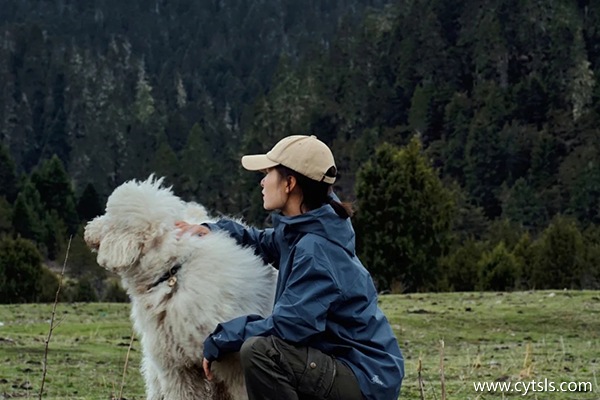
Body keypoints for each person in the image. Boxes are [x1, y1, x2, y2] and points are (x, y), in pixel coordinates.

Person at [176, 135, 404, 400]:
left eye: (268, 173)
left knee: (261, 352)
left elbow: (289, 326)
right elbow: (262, 242)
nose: (262, 181)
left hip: (365, 379)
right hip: (348, 366)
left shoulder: (316, 249)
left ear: (290, 183)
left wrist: (221, 337)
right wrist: (211, 229)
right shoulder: (308, 228)